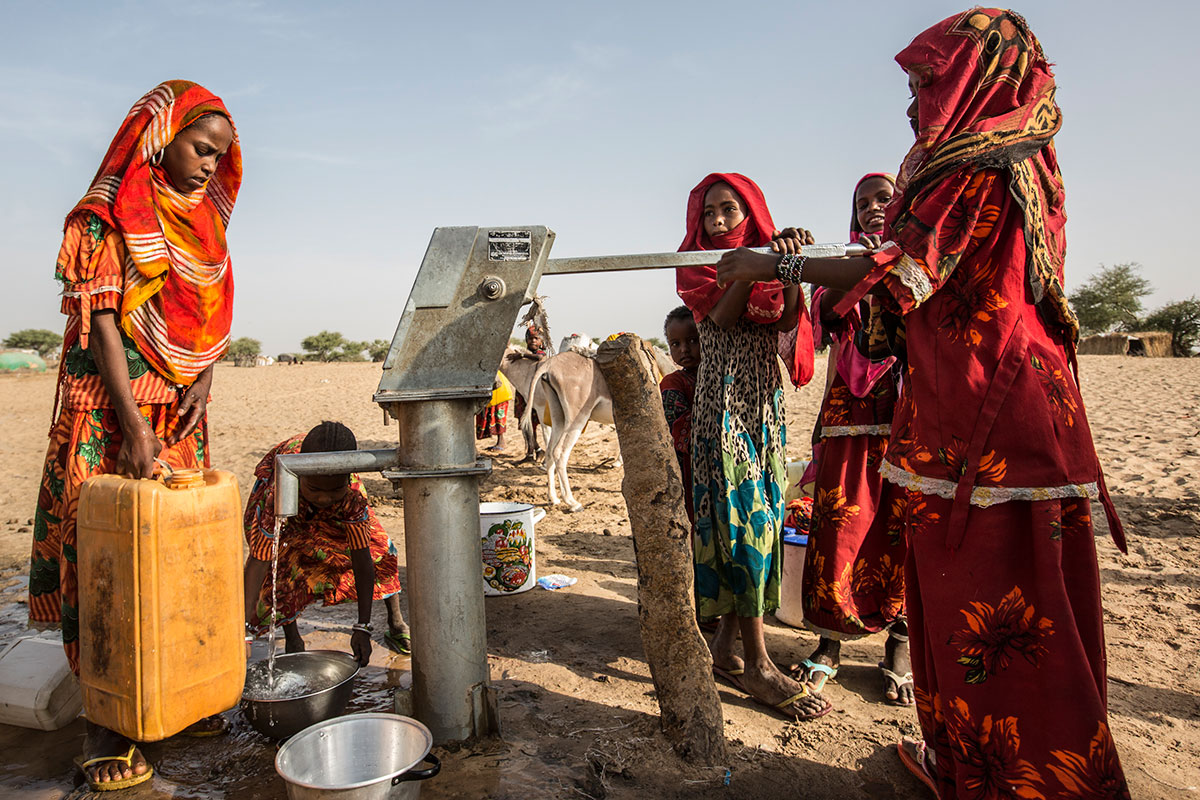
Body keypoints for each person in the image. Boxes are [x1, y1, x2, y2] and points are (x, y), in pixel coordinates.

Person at [716, 9, 1129, 796]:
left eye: (927, 81)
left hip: (984, 419)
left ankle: (1016, 779)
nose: (914, 101)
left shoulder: (971, 163)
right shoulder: (1030, 156)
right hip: (1017, 408)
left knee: (993, 613)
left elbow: (900, 274)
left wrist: (773, 266)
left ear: (977, 76)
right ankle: (969, 763)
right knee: (989, 604)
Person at [26, 81, 239, 790]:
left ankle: (175, 693)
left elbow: (200, 319)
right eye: (199, 149)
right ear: (160, 136)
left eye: (219, 155)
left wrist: (203, 374)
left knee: (179, 556)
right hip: (113, 417)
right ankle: (105, 728)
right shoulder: (109, 218)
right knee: (107, 568)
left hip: (178, 414)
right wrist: (132, 424)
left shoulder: (203, 223)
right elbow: (107, 320)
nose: (209, 165)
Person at [676, 172, 830, 721]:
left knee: (761, 518)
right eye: (709, 212)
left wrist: (786, 267)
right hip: (722, 411)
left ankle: (724, 650)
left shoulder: (765, 258)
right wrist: (749, 266)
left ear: (751, 212)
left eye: (730, 211)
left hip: (764, 409)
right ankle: (761, 665)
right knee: (743, 527)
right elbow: (717, 317)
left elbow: (788, 319)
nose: (718, 222)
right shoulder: (695, 264)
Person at [796, 173, 913, 706]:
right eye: (862, 203)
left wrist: (891, 263)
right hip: (847, 415)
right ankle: (830, 645)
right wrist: (852, 268)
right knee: (837, 529)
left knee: (903, 530)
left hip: (909, 416)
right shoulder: (840, 262)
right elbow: (819, 320)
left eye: (883, 200)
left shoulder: (922, 261)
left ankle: (901, 647)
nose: (871, 209)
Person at [243, 421, 410, 662]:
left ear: (348, 477)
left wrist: (362, 626)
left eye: (334, 490)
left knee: (381, 551)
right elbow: (259, 561)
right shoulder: (277, 494)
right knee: (281, 565)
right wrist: (243, 632)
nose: (324, 498)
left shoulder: (351, 495)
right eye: (315, 489)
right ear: (302, 477)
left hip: (333, 504)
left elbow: (362, 559)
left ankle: (396, 621)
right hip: (290, 502)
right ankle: (293, 637)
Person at [659, 305, 700, 523]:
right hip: (688, 473)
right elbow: (679, 433)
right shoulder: (673, 382)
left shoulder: (716, 374)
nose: (684, 349)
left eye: (693, 340)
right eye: (676, 344)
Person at [476, 371, 513, 451]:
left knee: (498, 416)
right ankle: (500, 442)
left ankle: (501, 442)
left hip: (498, 392)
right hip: (496, 389)